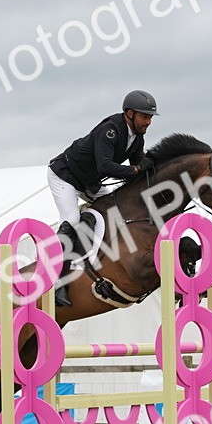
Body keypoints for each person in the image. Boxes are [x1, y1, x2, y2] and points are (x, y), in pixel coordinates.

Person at [46, 90, 159, 306]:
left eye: (150, 117)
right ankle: (58, 281)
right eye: (145, 116)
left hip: (90, 182)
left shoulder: (137, 136)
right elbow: (106, 166)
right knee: (71, 219)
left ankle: (100, 263)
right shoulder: (111, 130)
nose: (149, 122)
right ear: (129, 113)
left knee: (114, 213)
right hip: (65, 176)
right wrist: (136, 170)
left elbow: (139, 162)